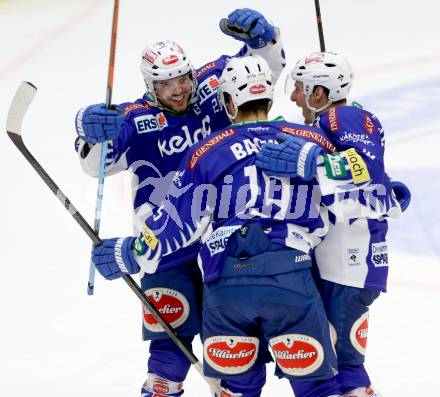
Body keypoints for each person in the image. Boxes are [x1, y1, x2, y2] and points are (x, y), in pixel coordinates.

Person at [89, 54, 398, 397]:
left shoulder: (204, 151)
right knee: (321, 384)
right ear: (269, 97)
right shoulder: (307, 141)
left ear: (228, 102)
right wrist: (387, 194)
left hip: (226, 289)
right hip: (292, 280)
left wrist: (128, 252)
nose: (295, 95)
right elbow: (366, 196)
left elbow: (174, 221)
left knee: (234, 386)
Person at [74, 9, 285, 397]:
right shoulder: (134, 119)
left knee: (235, 346)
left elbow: (262, 72)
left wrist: (265, 41)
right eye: (166, 84)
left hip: (225, 237)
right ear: (149, 86)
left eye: (183, 79)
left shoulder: (211, 85)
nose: (179, 90)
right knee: (170, 341)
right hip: (164, 243)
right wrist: (91, 132)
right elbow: (94, 165)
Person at [255, 51, 411, 397]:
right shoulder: (327, 123)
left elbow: (367, 174)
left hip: (351, 261)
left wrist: (312, 161)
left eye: (299, 88)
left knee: (341, 361)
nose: (294, 96)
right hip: (338, 258)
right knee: (332, 359)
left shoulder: (345, 116)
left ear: (319, 94)